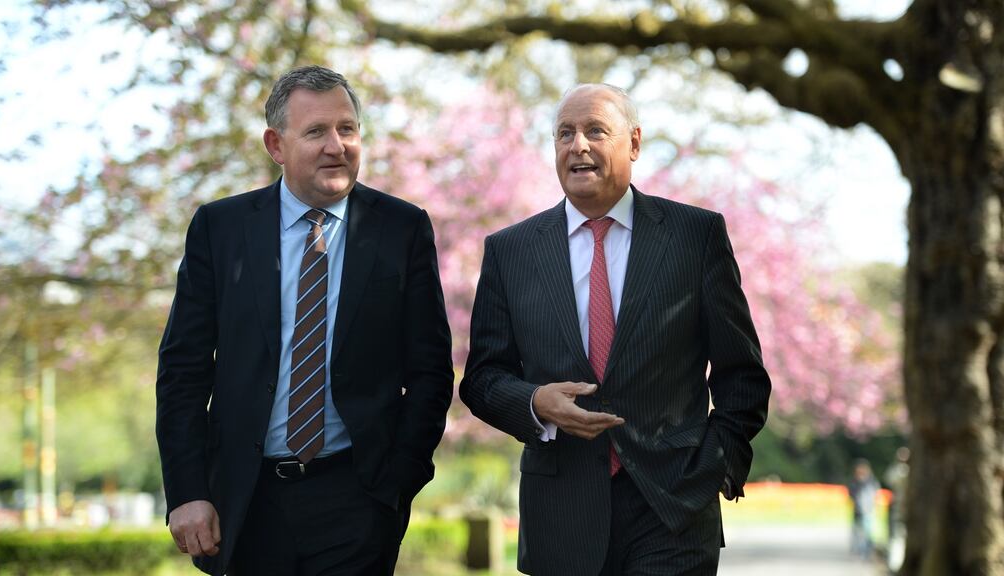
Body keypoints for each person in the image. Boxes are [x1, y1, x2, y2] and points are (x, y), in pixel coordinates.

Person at [460, 84, 772, 575]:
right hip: (561, 514)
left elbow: (742, 374)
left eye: (594, 131)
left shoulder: (695, 236)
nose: (577, 145)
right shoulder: (511, 251)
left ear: (634, 143)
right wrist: (536, 402)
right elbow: (481, 378)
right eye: (565, 133)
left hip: (673, 509)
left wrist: (716, 462)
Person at [156, 65, 454, 576]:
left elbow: (429, 371)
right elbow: (183, 370)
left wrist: (397, 482)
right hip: (247, 503)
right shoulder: (220, 229)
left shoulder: (401, 228)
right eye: (316, 131)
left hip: (357, 498)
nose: (336, 145)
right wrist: (187, 492)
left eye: (347, 129)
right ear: (276, 145)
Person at [848, 458, 880, 559]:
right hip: (857, 510)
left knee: (867, 532)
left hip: (868, 510)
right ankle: (857, 550)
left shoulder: (871, 481)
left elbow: (875, 493)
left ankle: (867, 552)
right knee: (857, 531)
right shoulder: (855, 481)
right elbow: (851, 493)